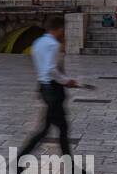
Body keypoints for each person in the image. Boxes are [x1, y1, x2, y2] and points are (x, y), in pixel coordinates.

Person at [18, 16, 81, 158]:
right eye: (62, 30)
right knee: (48, 131)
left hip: (44, 87)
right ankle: (18, 161)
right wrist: (66, 81)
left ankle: (70, 166)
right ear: (59, 29)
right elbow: (51, 69)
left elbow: (43, 69)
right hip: (53, 89)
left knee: (57, 129)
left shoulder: (38, 43)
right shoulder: (53, 45)